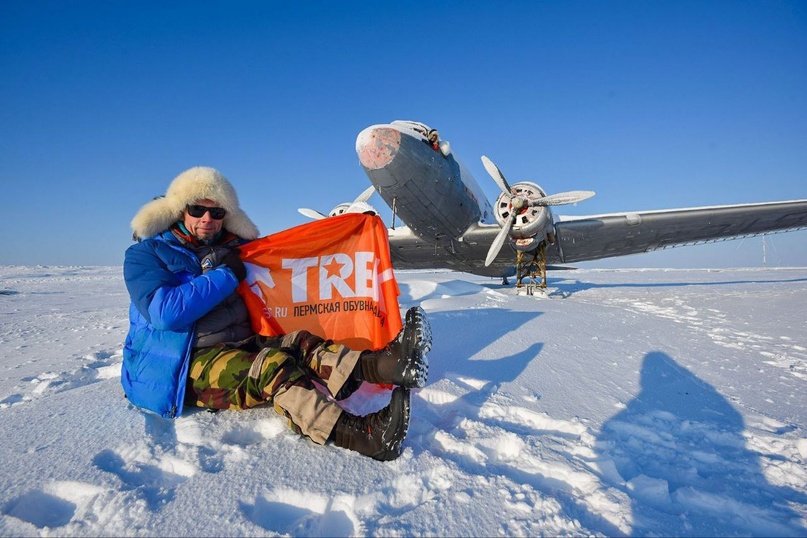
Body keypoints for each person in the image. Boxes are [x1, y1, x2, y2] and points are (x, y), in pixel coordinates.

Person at [122, 166, 430, 461]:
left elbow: (284, 255)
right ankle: (359, 435)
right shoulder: (144, 255)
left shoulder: (235, 249)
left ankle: (384, 365)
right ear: (178, 209)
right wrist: (226, 275)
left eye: (217, 213)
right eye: (197, 209)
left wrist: (346, 230)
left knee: (300, 342)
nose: (207, 219)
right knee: (273, 367)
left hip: (239, 343)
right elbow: (165, 313)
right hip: (184, 366)